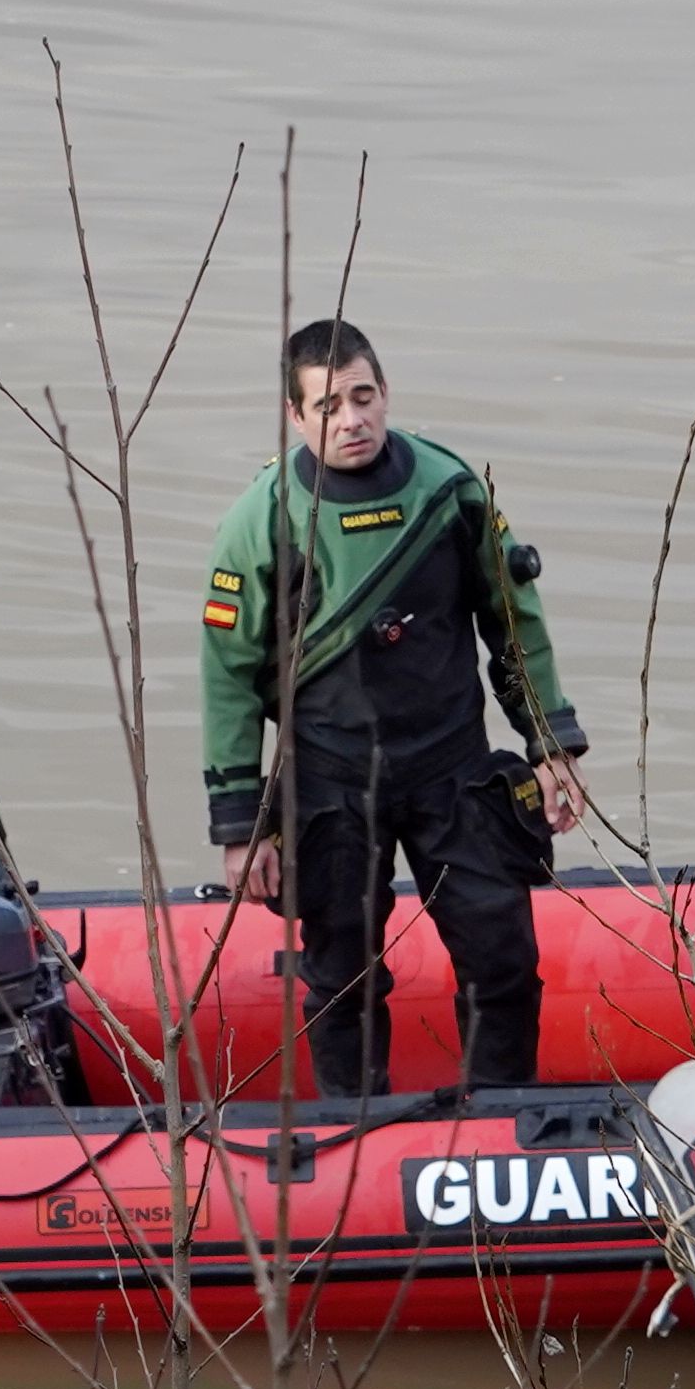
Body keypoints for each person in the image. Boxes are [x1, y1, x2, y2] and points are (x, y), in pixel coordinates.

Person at [202, 319, 586, 1094]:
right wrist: (242, 828)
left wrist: (553, 748)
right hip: (332, 781)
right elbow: (228, 676)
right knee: (341, 977)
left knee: (503, 958)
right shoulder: (262, 520)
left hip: (453, 768)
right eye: (328, 405)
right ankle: (354, 1136)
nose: (351, 419)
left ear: (385, 394)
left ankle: (502, 1118)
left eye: (363, 396)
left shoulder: (450, 492)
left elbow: (514, 626)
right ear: (295, 415)